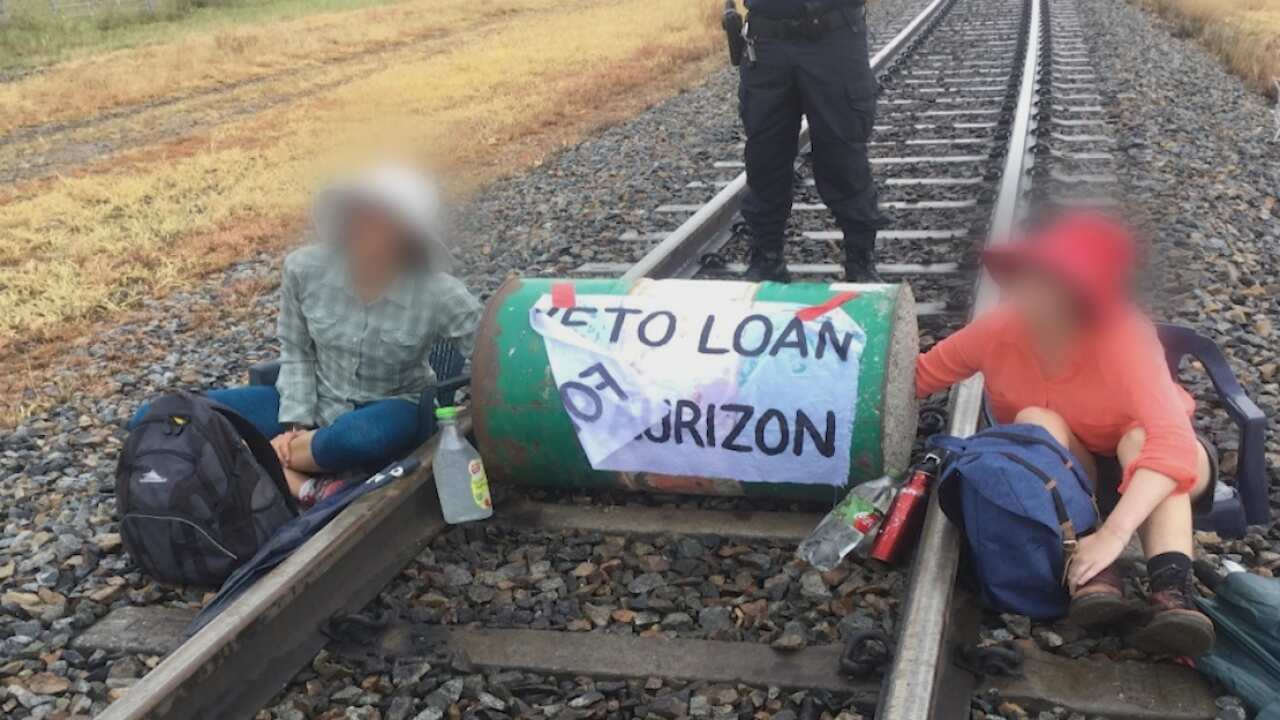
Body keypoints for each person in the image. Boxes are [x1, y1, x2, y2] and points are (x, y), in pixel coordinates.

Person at [915, 212, 1217, 657]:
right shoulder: (998, 330)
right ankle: (1094, 573)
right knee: (1036, 418)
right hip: (1076, 473)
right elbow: (917, 377)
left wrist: (1116, 535)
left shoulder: (1125, 336)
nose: (1026, 290)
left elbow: (1170, 443)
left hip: (1166, 465)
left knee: (1140, 441)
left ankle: (1172, 593)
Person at [130, 165, 483, 506]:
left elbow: (492, 353)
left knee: (359, 437)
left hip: (390, 408)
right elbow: (296, 351)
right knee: (158, 416)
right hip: (310, 401)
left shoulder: (440, 293)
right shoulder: (304, 269)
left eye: (381, 221)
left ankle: (257, 460)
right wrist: (296, 424)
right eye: (358, 216)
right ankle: (305, 484)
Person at [737, 0, 887, 284]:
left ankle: (860, 262)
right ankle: (767, 261)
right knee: (764, 158)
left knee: (844, 157)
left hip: (835, 35)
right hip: (766, 41)